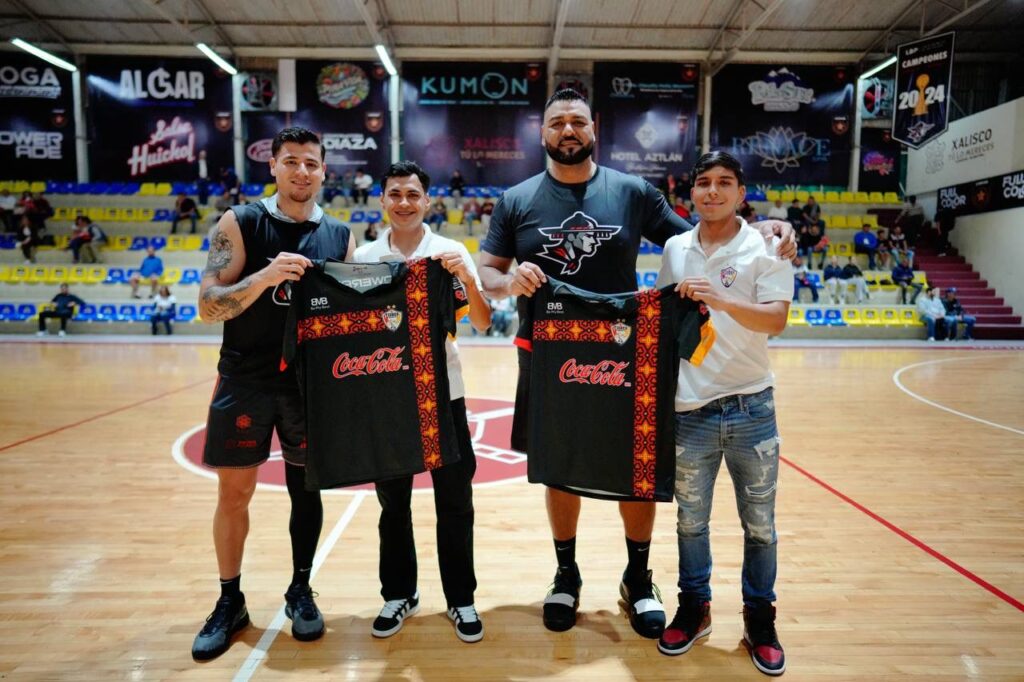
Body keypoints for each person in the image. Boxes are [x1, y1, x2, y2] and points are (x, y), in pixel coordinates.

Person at [477, 89, 795, 639]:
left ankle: (638, 577)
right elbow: (487, 273)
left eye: (578, 122)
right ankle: (566, 574)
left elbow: (702, 233)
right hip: (549, 354)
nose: (568, 130)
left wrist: (765, 226)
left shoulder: (631, 191)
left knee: (638, 470)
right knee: (559, 467)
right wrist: (508, 282)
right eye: (558, 123)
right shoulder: (516, 199)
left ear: (594, 129)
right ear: (543, 132)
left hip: (627, 352)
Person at [190, 126, 355, 661]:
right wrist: (264, 277)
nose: (301, 171)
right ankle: (230, 600)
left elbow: (350, 319)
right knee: (234, 493)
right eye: (291, 161)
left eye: (311, 162)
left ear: (324, 171)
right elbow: (207, 305)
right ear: (274, 167)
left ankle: (300, 589)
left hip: (310, 385)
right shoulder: (240, 222)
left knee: (306, 492)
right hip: (246, 378)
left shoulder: (340, 235)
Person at [655, 150, 791, 676]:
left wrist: (724, 300)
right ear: (691, 191)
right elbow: (666, 321)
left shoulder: (768, 245)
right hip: (690, 409)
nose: (712, 191)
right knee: (691, 523)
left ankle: (760, 617)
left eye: (724, 182)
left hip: (752, 405)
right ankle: (695, 607)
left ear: (740, 192)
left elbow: (776, 320)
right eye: (704, 182)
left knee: (760, 525)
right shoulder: (675, 248)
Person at [353, 161, 492, 644]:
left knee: (455, 500)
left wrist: (467, 278)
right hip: (388, 399)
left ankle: (461, 598)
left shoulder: (450, 252)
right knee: (393, 503)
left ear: (427, 201)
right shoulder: (365, 257)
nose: (404, 203)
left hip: (444, 395)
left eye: (413, 194)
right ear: (382, 201)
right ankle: (399, 594)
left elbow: (482, 322)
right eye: (395, 194)